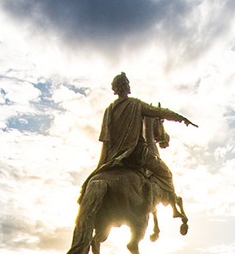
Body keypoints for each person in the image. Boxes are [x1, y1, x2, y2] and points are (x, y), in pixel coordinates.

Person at [81, 72, 196, 210]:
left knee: (87, 186)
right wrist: (181, 118)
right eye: (127, 84)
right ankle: (173, 207)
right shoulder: (136, 104)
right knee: (166, 173)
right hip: (136, 154)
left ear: (115, 89)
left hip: (112, 158)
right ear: (125, 86)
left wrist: (101, 166)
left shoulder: (109, 110)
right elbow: (159, 112)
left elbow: (106, 140)